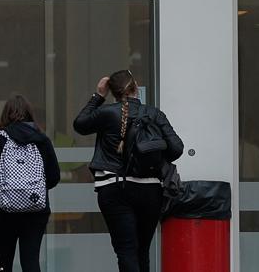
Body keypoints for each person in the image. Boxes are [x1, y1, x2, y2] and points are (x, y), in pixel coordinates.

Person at [73, 70, 183, 272]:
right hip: (150, 190)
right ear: (135, 88)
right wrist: (153, 154)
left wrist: (98, 96)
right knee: (142, 251)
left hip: (114, 189)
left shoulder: (107, 113)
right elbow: (177, 149)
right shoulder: (154, 114)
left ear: (113, 93)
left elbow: (80, 124)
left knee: (126, 250)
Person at [0, 94, 60, 272]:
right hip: (36, 210)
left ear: (5, 115)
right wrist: (31, 189)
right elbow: (54, 177)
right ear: (30, 115)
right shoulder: (42, 140)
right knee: (31, 261)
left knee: (2, 263)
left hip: (4, 211)